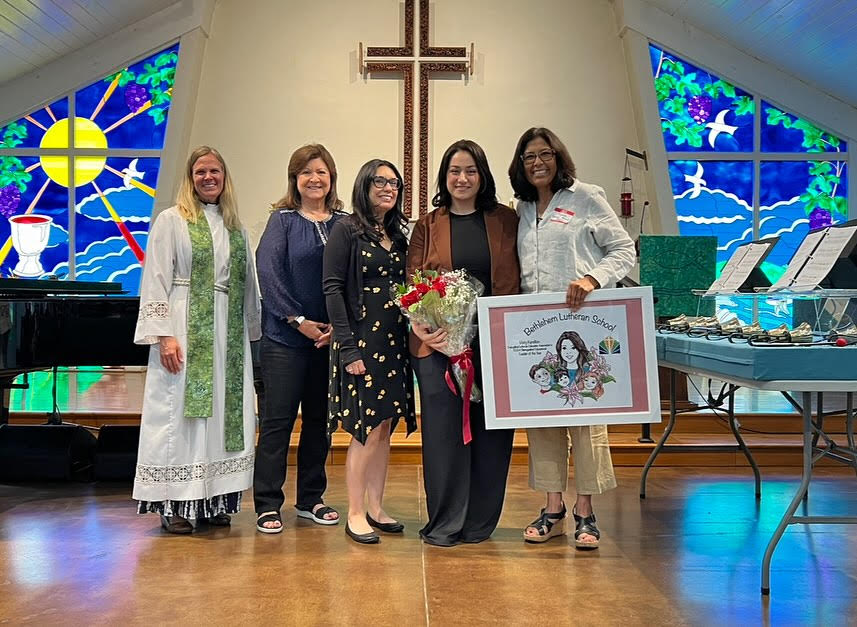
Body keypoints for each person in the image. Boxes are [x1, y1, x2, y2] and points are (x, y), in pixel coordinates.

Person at [509, 127, 635, 548]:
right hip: (535, 326)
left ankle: (585, 510)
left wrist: (591, 277)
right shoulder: (521, 207)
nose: (537, 163)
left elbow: (623, 250)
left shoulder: (587, 196)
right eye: (529, 157)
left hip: (582, 322)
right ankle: (553, 508)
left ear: (559, 157)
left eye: (545, 154)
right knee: (543, 418)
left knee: (584, 418)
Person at [132, 146, 261, 534]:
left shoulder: (236, 227)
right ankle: (174, 502)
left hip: (227, 332)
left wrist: (250, 335)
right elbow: (155, 277)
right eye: (201, 172)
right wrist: (164, 335)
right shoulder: (171, 221)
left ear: (225, 177)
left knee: (223, 416)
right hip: (184, 326)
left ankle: (213, 500)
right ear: (190, 178)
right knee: (181, 417)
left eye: (215, 171)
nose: (208, 178)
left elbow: (249, 285)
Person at [408, 139, 520, 546]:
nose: (462, 178)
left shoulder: (507, 220)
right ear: (444, 177)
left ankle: (479, 523)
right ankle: (445, 521)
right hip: (438, 345)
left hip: (495, 343)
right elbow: (413, 283)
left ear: (482, 175)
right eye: (454, 171)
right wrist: (425, 328)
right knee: (443, 436)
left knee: (492, 434)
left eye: (470, 170)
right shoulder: (427, 224)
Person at [323, 159, 417, 544]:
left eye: (394, 183)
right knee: (363, 430)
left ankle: (376, 507)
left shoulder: (398, 234)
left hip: (394, 343)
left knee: (383, 429)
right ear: (364, 184)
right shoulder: (346, 230)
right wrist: (348, 348)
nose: (388, 188)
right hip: (361, 342)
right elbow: (332, 288)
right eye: (380, 181)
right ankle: (356, 512)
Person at [253, 144, 345, 534]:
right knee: (278, 422)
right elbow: (269, 274)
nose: (314, 178)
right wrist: (299, 320)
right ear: (295, 179)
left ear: (331, 178)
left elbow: (353, 278)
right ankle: (267, 503)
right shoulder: (283, 221)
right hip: (285, 340)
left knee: (320, 424)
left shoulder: (344, 222)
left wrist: (337, 328)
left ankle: (311, 498)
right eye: (306, 172)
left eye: (321, 172)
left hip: (330, 340)